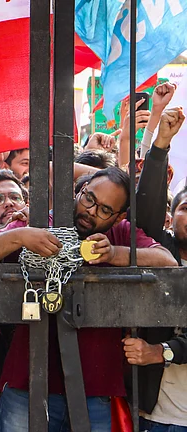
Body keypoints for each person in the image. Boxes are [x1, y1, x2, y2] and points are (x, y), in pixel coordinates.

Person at [0, 167, 177, 431]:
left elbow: (167, 261)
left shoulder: (121, 232)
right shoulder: (39, 220)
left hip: (94, 385)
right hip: (30, 379)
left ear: (118, 219)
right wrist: (20, 236)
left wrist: (114, 254)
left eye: (105, 210)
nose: (91, 210)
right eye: (89, 198)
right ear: (79, 191)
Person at [131, 106, 187, 431]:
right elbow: (146, 210)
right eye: (185, 207)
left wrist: (162, 352)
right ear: (172, 213)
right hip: (154, 417)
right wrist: (161, 144)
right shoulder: (159, 250)